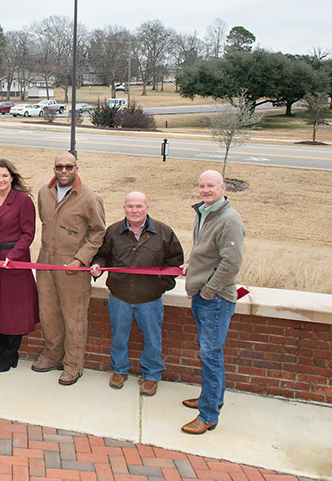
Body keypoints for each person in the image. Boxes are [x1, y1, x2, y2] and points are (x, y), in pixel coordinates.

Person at [90, 192, 184, 395]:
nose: (134, 210)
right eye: (130, 206)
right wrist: (98, 265)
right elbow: (102, 255)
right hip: (120, 296)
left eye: (139, 206)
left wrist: (161, 285)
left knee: (152, 338)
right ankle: (119, 369)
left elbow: (174, 262)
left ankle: (151, 375)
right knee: (119, 336)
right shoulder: (114, 231)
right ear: (124, 208)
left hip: (150, 299)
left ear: (147, 208)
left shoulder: (163, 232)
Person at [179, 170, 245, 434]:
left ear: (223, 187)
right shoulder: (205, 212)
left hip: (215, 299)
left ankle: (207, 415)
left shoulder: (229, 219)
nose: (205, 190)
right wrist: (190, 265)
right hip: (203, 294)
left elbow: (231, 262)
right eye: (202, 186)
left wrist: (208, 291)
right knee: (208, 352)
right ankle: (212, 397)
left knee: (210, 354)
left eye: (211, 186)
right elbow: (205, 250)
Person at [33, 151, 105, 385]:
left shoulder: (89, 197)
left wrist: (80, 259)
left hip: (73, 266)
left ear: (77, 168)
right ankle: (53, 355)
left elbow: (98, 232)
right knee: (48, 313)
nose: (64, 171)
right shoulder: (44, 191)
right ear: (53, 168)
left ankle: (73, 366)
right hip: (46, 263)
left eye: (69, 167)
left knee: (73, 317)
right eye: (59, 167)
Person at [0, 159, 38, 372]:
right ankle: (5, 353)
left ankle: (9, 355)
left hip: (15, 263)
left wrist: (12, 257)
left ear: (12, 177)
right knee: (0, 308)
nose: (1, 179)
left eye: (5, 175)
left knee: (14, 312)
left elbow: (28, 234)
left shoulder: (23, 200)